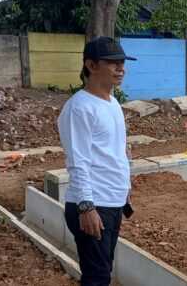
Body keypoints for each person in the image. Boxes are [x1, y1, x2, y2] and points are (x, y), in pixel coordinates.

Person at [58, 36, 137, 286]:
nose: (121, 68)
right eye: (113, 63)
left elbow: (114, 152)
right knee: (97, 277)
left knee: (103, 270)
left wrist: (124, 189)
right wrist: (86, 207)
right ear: (91, 66)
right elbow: (77, 161)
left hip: (112, 201)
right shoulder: (79, 108)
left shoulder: (113, 102)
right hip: (93, 205)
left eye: (122, 63)